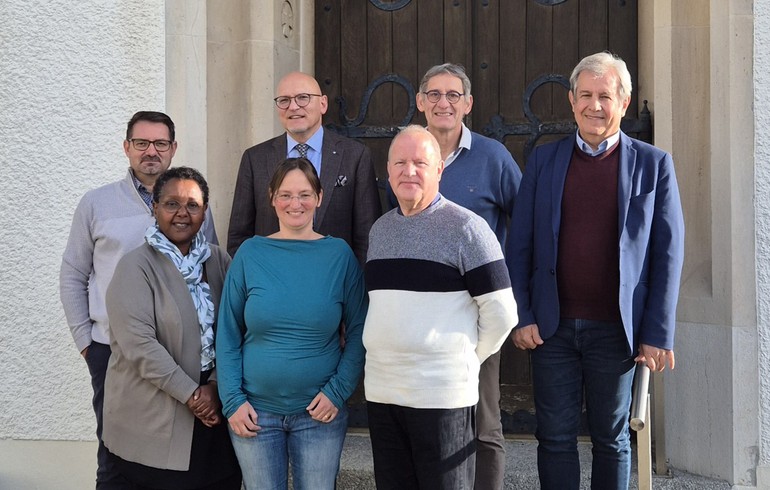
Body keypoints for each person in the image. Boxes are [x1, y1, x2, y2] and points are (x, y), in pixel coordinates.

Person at [507, 52, 685, 490]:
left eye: (605, 95)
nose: (594, 105)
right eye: (585, 95)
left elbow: (668, 253)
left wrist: (657, 333)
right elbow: (520, 245)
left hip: (618, 331)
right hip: (552, 329)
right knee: (554, 437)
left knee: (612, 440)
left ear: (623, 102)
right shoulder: (544, 162)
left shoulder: (654, 165)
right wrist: (522, 314)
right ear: (571, 101)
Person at [59, 111, 217, 488]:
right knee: (115, 454)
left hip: (183, 356)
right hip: (114, 352)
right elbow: (73, 275)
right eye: (142, 143)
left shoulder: (192, 203)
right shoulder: (96, 204)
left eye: (160, 143)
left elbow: (207, 272)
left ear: (173, 148)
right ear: (127, 147)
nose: (151, 151)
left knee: (179, 456)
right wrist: (87, 344)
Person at [364, 125, 517, 489]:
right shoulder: (380, 231)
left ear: (439, 171)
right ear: (388, 171)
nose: (409, 171)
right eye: (399, 162)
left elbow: (502, 313)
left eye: (420, 162)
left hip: (441, 395)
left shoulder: (469, 229)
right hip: (383, 392)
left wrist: (460, 358)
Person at [217, 158, 367, 490]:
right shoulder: (250, 254)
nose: (294, 204)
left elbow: (359, 331)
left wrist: (338, 392)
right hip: (254, 413)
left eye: (304, 194)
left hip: (319, 414)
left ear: (319, 197)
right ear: (271, 198)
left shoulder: (339, 256)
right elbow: (227, 332)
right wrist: (232, 401)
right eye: (285, 195)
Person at [414, 62, 522, 490]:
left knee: (484, 419)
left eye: (453, 95)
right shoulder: (410, 155)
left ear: (468, 104)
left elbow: (525, 225)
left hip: (478, 315)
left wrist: (508, 289)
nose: (444, 103)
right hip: (420, 313)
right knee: (426, 417)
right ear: (421, 103)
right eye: (435, 95)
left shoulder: (493, 157)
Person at [102, 166, 240, 489]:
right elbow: (140, 346)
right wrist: (193, 395)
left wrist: (217, 387)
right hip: (156, 416)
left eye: (193, 205)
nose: (182, 213)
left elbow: (237, 329)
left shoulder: (220, 261)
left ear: (205, 212)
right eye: (171, 204)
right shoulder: (135, 266)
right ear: (155, 208)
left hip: (215, 410)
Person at [227, 71, 381, 263]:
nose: (293, 106)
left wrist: (355, 287)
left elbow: (367, 236)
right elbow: (238, 237)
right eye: (284, 100)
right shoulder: (255, 158)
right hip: (271, 282)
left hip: (335, 282)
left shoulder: (355, 156)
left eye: (303, 98)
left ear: (323, 104)